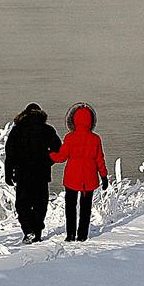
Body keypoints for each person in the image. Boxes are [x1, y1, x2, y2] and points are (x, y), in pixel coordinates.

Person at [4, 103, 62, 243]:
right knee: (40, 204)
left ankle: (28, 230)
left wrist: (8, 172)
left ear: (25, 114)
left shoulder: (17, 130)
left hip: (22, 174)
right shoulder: (47, 129)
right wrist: (47, 161)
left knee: (22, 205)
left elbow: (10, 153)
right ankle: (36, 232)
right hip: (41, 174)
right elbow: (58, 150)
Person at [50, 103, 109, 242]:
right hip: (89, 178)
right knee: (85, 208)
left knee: (70, 207)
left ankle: (70, 235)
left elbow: (61, 157)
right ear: (91, 121)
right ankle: (82, 235)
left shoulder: (70, 138)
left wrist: (50, 154)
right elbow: (100, 159)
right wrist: (104, 176)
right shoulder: (95, 139)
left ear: (74, 120)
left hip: (72, 177)